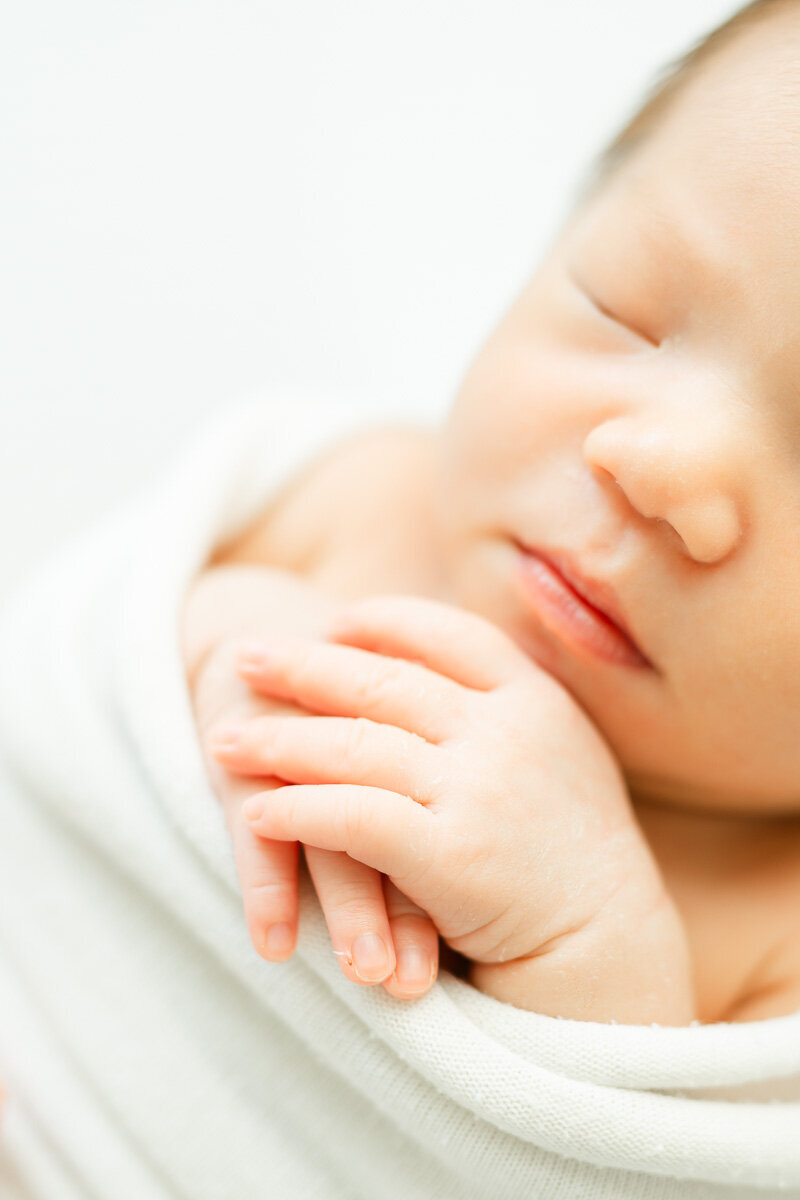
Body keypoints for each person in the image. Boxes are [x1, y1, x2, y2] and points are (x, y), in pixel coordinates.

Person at [181, 0, 800, 1029]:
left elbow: (656, 1178)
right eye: (622, 305)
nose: (656, 467)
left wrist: (585, 939)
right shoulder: (360, 500)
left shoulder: (775, 928)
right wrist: (235, 643)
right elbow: (72, 666)